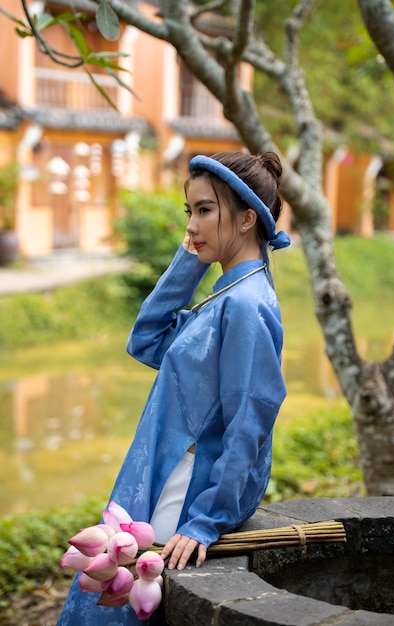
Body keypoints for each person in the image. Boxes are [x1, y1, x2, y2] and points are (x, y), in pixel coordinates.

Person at [57, 150, 290, 625]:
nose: (192, 225)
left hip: (184, 488)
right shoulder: (225, 296)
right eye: (191, 211)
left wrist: (208, 519)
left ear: (247, 219)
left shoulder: (246, 306)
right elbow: (145, 340)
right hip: (162, 474)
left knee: (124, 607)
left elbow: (251, 417)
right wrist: (189, 262)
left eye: (205, 210)